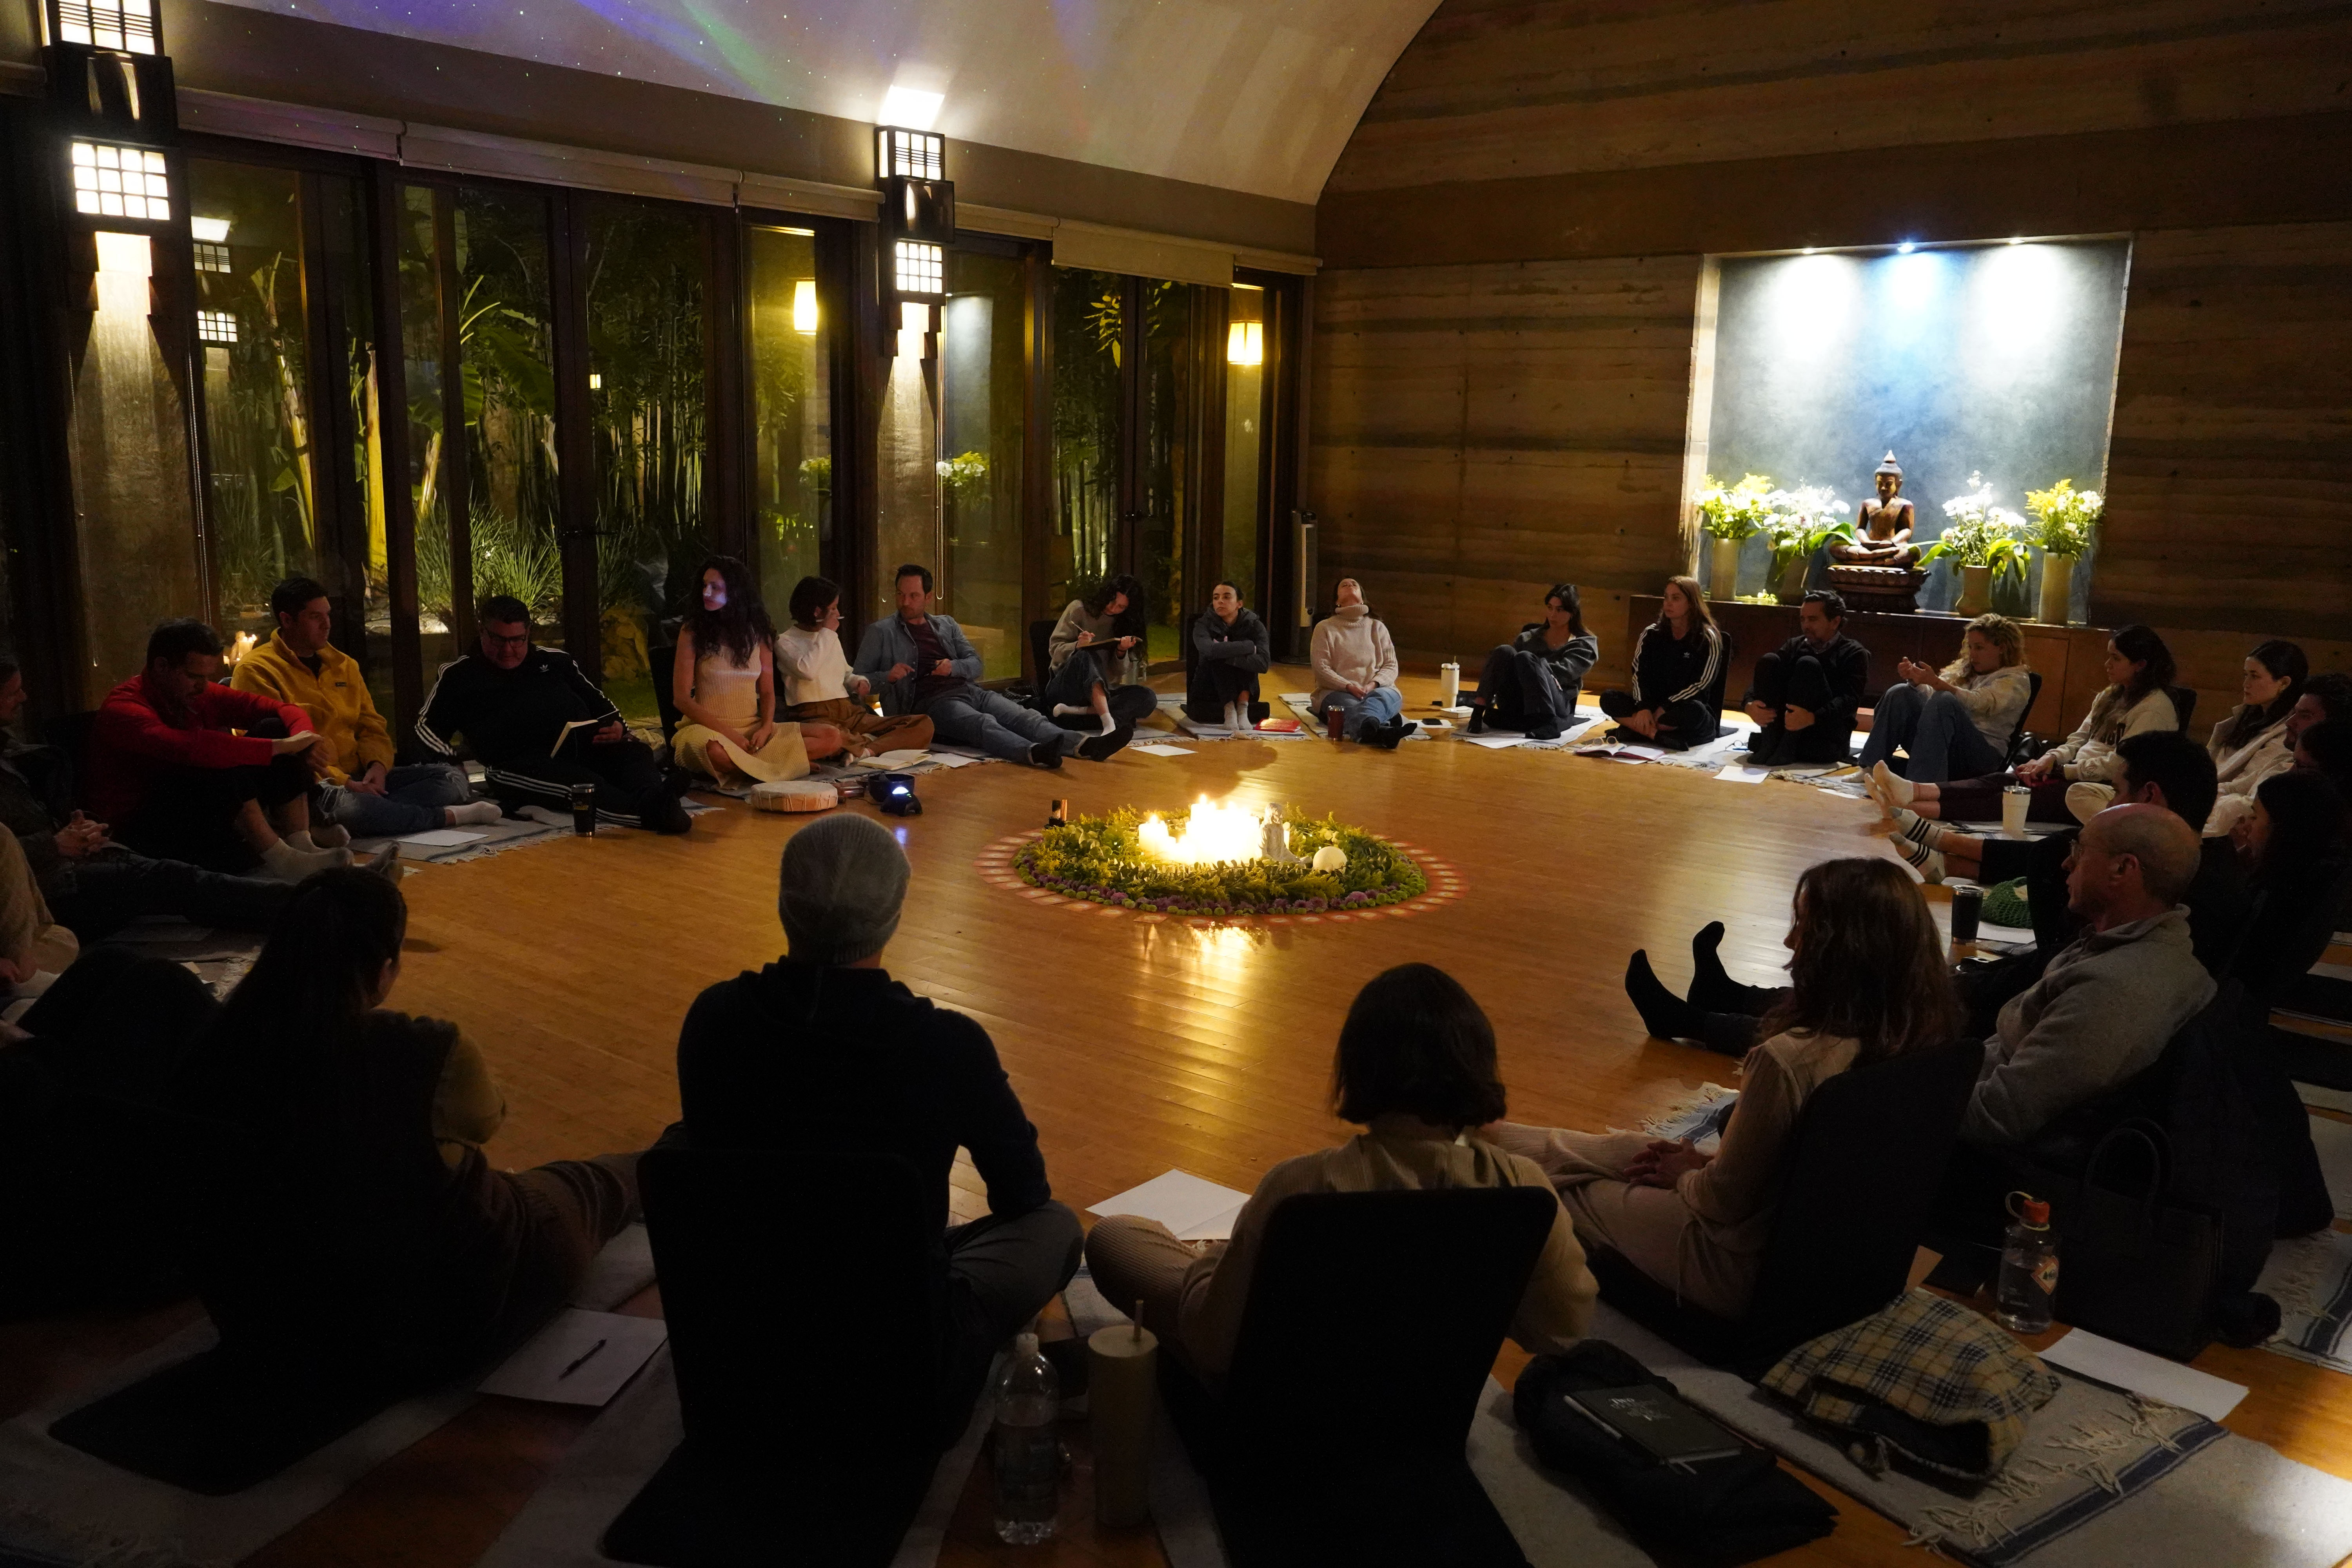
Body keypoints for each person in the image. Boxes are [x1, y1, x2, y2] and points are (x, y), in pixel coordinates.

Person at [673, 814, 1080, 1413]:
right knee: (1056, 1226)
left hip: (746, 1347)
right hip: (903, 1360)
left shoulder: (715, 1019)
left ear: (786, 905)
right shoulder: (947, 1043)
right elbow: (1024, 1193)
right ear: (893, 914)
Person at [169, 869, 640, 1383]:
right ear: (384, 970)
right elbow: (486, 1117)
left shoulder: (211, 1045)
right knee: (603, 1180)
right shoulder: (423, 1051)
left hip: (274, 1322)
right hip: (437, 1318)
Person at [1494, 860, 1959, 1320]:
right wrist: (1698, 1166)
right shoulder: (1926, 1036)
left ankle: (1479, 1163)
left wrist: (1687, 1175)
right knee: (1626, 1150)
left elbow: (1722, 1201)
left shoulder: (1789, 1060)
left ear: (1840, 948)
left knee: (1557, 1189)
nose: (1789, 941)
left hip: (1740, 1266)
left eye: (1803, 926)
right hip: (1830, 1259)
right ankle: (1485, 1137)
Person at [1086, 964, 1595, 1376]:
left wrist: (1214, 1263)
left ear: (1357, 1068)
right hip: (1424, 1411)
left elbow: (1213, 1347)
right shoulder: (1522, 1188)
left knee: (1118, 1237)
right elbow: (1562, 1330)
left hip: (1288, 1409)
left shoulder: (1299, 1187)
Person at [1960, 804, 2216, 1148]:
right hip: (1962, 1081)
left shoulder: (2115, 991)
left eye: (2080, 850)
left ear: (2122, 868)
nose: (2067, 863)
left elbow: (1997, 1116)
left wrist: (1904, 1092)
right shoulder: (2121, 945)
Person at [0, 657, 292, 940]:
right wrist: (54, 845)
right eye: (13, 693)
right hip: (48, 884)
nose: (24, 697)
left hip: (82, 856)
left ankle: (296, 882)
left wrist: (81, 827)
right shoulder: (125, 708)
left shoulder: (12, 752)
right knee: (172, 879)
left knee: (188, 874)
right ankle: (301, 906)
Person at [232, 576, 501, 839]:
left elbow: (371, 724)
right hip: (313, 786)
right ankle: (445, 816)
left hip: (360, 775)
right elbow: (275, 750)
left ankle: (361, 817)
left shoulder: (344, 664)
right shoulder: (257, 670)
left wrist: (378, 767)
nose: (327, 624)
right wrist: (345, 783)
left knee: (452, 779)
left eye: (328, 615)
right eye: (315, 617)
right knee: (344, 805)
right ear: (287, 620)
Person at [87, 618, 352, 882]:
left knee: (274, 727)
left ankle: (302, 844)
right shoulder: (125, 708)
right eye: (194, 677)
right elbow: (189, 748)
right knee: (215, 759)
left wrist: (304, 741)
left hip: (196, 814)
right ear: (161, 666)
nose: (203, 686)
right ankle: (284, 859)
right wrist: (282, 747)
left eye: (207, 677)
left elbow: (284, 710)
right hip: (142, 828)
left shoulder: (195, 694)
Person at [417, 595, 690, 833]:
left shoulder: (554, 661)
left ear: (528, 634)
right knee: (583, 786)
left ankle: (657, 798)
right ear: (482, 632)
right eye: (499, 640)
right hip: (514, 765)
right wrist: (452, 762)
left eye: (517, 640)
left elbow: (602, 704)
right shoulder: (460, 677)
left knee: (636, 753)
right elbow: (426, 729)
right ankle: (655, 812)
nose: (508, 649)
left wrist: (616, 726)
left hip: (579, 749)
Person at [1868, 624, 2180, 827]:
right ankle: (1911, 790)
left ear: (2140, 665)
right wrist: (2050, 758)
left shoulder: (2155, 708)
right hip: (2070, 773)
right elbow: (2078, 739)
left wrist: (2064, 771)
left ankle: (1912, 808)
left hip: (2100, 787)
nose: (2107, 665)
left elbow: (2121, 766)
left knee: (2009, 797)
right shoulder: (2110, 696)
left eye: (2116, 659)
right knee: (2000, 781)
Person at [854, 564, 1129, 767]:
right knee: (982, 723)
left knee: (1025, 717)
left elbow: (976, 665)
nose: (905, 602)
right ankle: (1034, 753)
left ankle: (1085, 745)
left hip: (969, 690)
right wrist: (888, 677)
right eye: (901, 595)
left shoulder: (946, 625)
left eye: (913, 596)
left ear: (928, 597)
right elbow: (858, 683)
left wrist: (953, 668)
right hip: (929, 703)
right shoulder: (881, 632)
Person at [669, 556, 835, 786]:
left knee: (831, 737)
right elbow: (681, 700)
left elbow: (767, 692)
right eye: (705, 585)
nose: (706, 593)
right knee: (715, 752)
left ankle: (756, 767)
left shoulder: (759, 633)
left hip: (751, 730)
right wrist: (730, 736)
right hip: (706, 731)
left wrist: (766, 728)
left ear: (736, 592)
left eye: (715, 587)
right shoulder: (692, 631)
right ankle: (782, 767)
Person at [1857, 613, 2033, 785]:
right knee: (1901, 692)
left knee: (1945, 699)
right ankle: (1870, 767)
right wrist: (1918, 681)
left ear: (2002, 648)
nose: (1973, 654)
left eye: (1979, 648)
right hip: (1944, 744)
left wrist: (1938, 683)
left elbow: (1980, 703)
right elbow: (1933, 699)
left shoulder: (2016, 679)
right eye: (1970, 647)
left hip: (1982, 755)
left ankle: (1919, 786)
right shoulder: (1966, 669)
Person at [2225, 770, 2352, 1003]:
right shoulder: (2318, 871)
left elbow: (2230, 957)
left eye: (2255, 817)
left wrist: (2232, 864)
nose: (2246, 825)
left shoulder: (2277, 894)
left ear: (2281, 830)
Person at [773, 575, 934, 758]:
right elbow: (807, 670)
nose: (837, 613)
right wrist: (827, 632)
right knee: (833, 737)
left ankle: (866, 750)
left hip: (849, 712)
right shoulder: (785, 642)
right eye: (833, 608)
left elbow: (845, 674)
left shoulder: (828, 638)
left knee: (922, 724)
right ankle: (863, 743)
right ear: (817, 612)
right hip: (816, 716)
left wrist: (858, 682)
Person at [1597, 576, 1728, 750]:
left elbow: (1702, 683)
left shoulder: (1707, 638)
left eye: (1676, 598)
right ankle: (1656, 735)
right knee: (1609, 698)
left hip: (1682, 707)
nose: (1668, 603)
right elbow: (1638, 673)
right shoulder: (1651, 633)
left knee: (1694, 711)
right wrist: (1644, 708)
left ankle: (1637, 729)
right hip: (1651, 707)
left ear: (1692, 603)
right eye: (1666, 598)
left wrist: (1666, 707)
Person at [1742, 590, 1869, 766]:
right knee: (1769, 661)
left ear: (1835, 622)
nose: (1806, 625)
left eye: (1813, 619)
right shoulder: (1795, 645)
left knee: (1808, 665)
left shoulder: (1854, 653)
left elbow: (1849, 700)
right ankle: (1769, 743)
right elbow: (1769, 678)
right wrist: (1749, 705)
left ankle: (1786, 748)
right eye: (1803, 619)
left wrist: (1812, 718)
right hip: (1785, 727)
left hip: (1824, 733)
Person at [1465, 584, 1597, 742]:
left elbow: (1564, 674)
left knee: (1526, 658)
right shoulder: (1528, 637)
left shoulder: (1583, 644)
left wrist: (1533, 667)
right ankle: (1478, 711)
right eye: (1550, 608)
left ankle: (1547, 724)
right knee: (1504, 651)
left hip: (1555, 704)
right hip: (1518, 700)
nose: (1553, 615)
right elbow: (1507, 670)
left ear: (1572, 613)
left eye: (1560, 610)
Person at [1045, 574, 1158, 735]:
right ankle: (1108, 722)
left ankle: (1077, 712)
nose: (1113, 609)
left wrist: (1121, 651)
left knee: (1147, 698)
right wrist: (1077, 645)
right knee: (1087, 655)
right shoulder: (1079, 609)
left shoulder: (1125, 623)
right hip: (1068, 688)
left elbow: (1119, 673)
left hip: (1104, 691)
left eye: (1121, 607)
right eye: (1112, 602)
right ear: (1106, 594)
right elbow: (1054, 649)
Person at [1308, 579, 1414, 747]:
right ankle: (1383, 729)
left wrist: (1373, 685)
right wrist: (1348, 686)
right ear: (1337, 600)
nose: (1350, 585)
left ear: (1362, 598)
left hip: (1377, 690)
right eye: (1344, 585)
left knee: (1382, 698)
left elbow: (1391, 665)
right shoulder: (1324, 628)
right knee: (1350, 707)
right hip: (1338, 692)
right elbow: (1321, 668)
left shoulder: (1377, 627)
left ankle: (1376, 729)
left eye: (1354, 585)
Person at [1185, 579, 1272, 730]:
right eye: (1216, 598)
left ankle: (1243, 709)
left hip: (1245, 690)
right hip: (1210, 686)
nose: (1220, 601)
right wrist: (1249, 646)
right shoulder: (1202, 624)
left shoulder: (1255, 625)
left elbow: (1263, 664)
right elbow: (1210, 651)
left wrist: (1228, 653)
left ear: (1239, 604)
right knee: (1216, 657)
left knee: (1238, 659)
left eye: (1226, 597)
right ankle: (1230, 710)